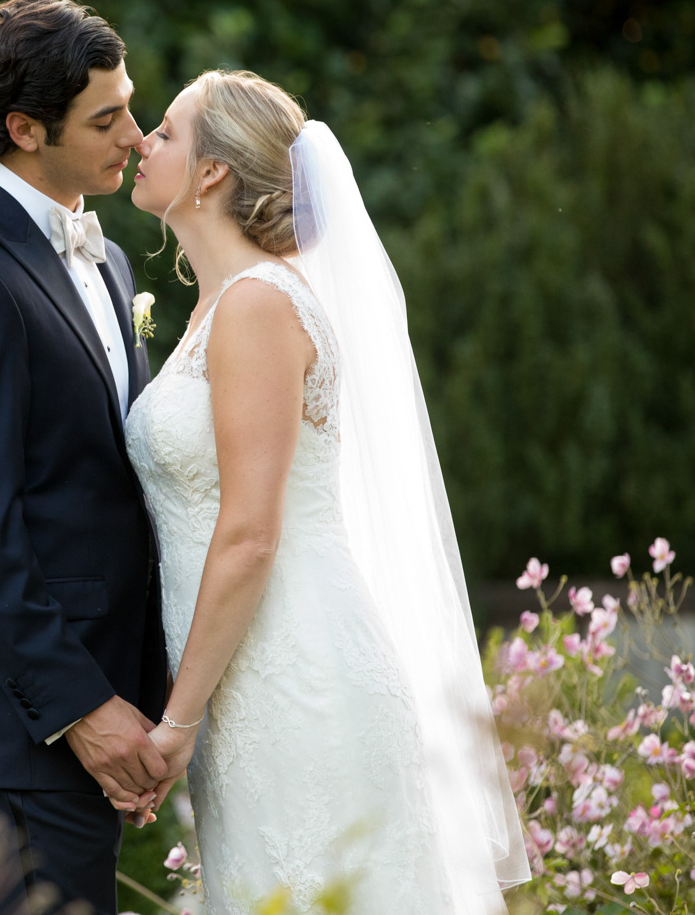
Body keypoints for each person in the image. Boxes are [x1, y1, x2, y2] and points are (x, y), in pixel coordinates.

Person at [123, 69, 530, 912]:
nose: (140, 142)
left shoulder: (257, 308)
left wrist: (175, 722)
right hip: (247, 685)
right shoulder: (215, 310)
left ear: (212, 174)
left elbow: (250, 533)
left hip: (298, 677)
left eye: (164, 131)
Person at [0, 0, 173, 915]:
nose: (135, 135)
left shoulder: (106, 259)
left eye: (130, 105)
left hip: (100, 707)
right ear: (23, 128)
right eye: (106, 118)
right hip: (20, 733)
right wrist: (83, 713)